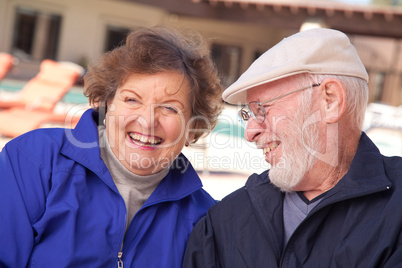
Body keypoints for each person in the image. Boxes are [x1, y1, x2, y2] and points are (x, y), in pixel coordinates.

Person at [0, 26, 223, 267]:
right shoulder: (34, 160)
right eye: (132, 100)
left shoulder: (205, 220)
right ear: (107, 105)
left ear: (192, 126)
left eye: (170, 108)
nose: (147, 121)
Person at [183, 28, 402, 267]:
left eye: (262, 109)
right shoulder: (223, 222)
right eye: (249, 114)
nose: (250, 133)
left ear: (330, 101)